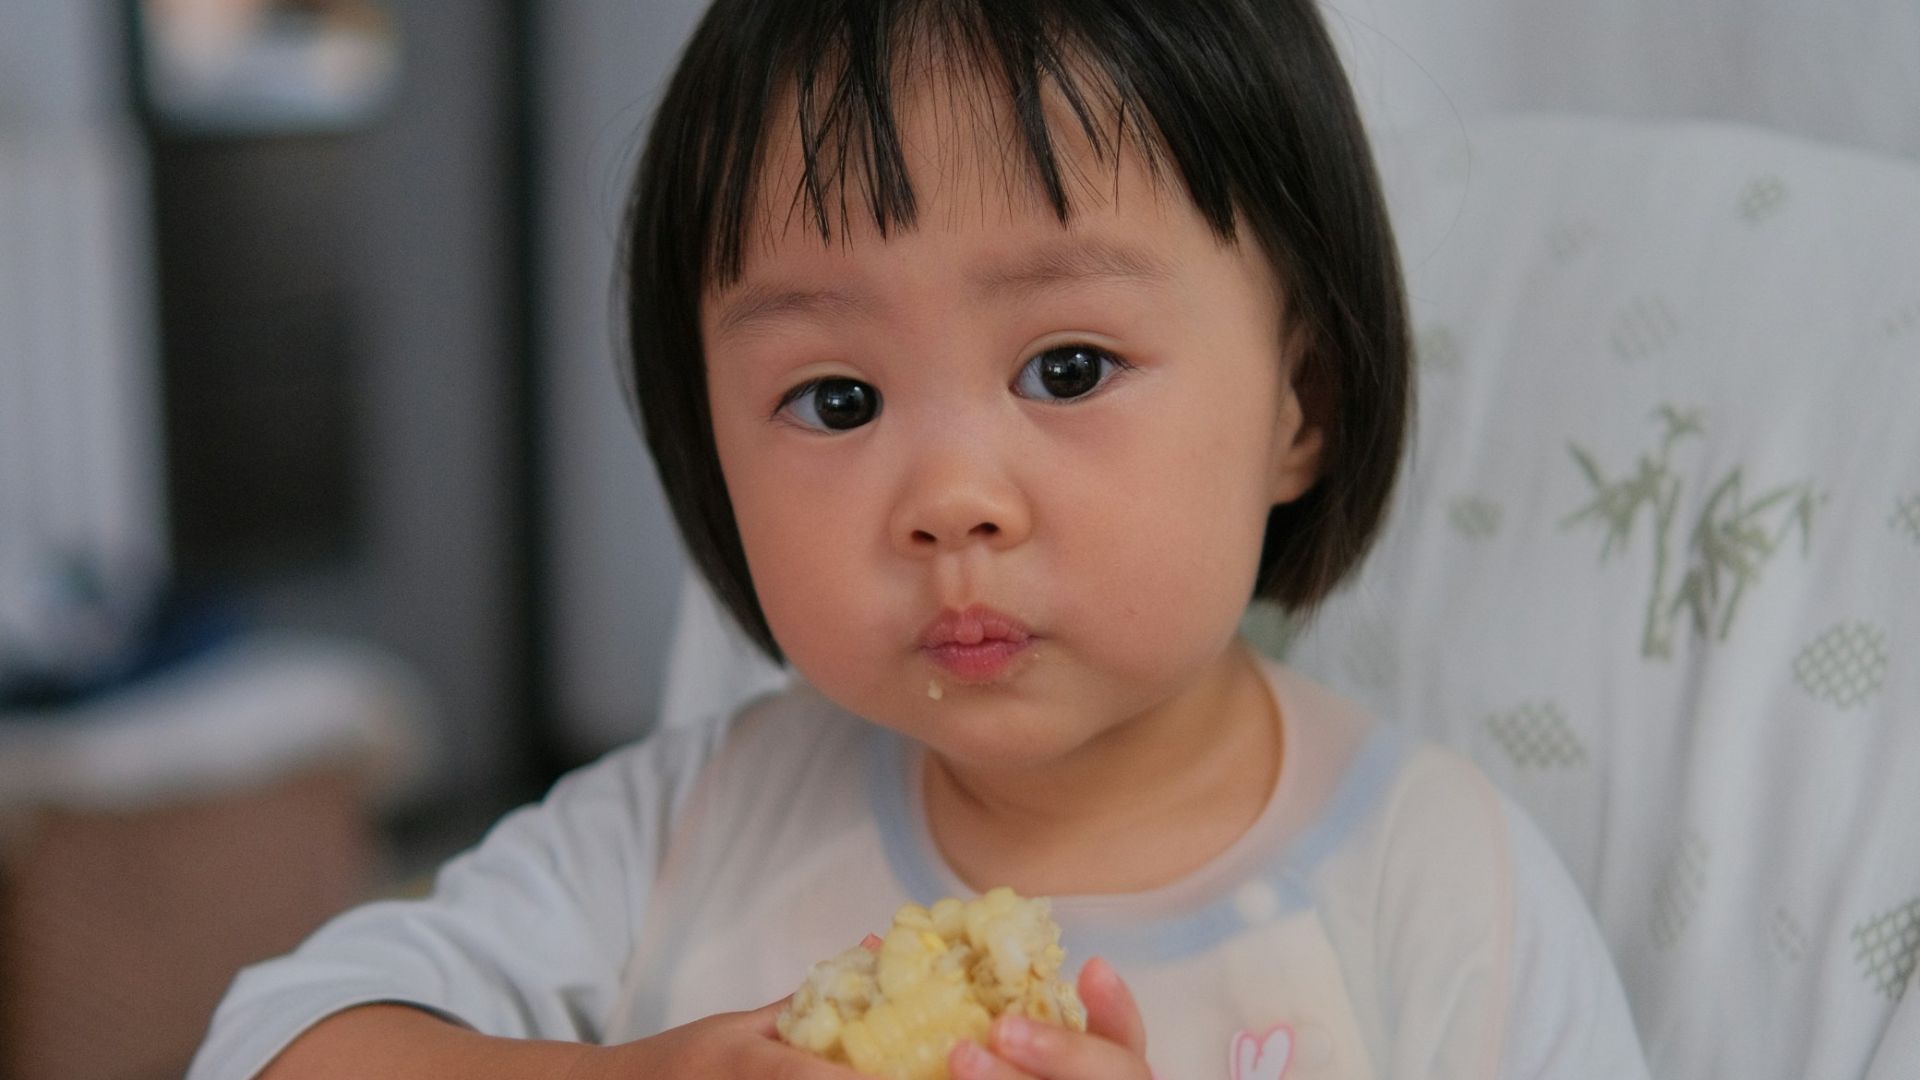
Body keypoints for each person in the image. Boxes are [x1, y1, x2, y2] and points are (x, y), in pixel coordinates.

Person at [190, 1, 1651, 1077]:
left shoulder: (1436, 891)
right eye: (836, 397)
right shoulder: (688, 831)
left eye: (1068, 367)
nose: (949, 498)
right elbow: (266, 1043)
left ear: (1301, 403)